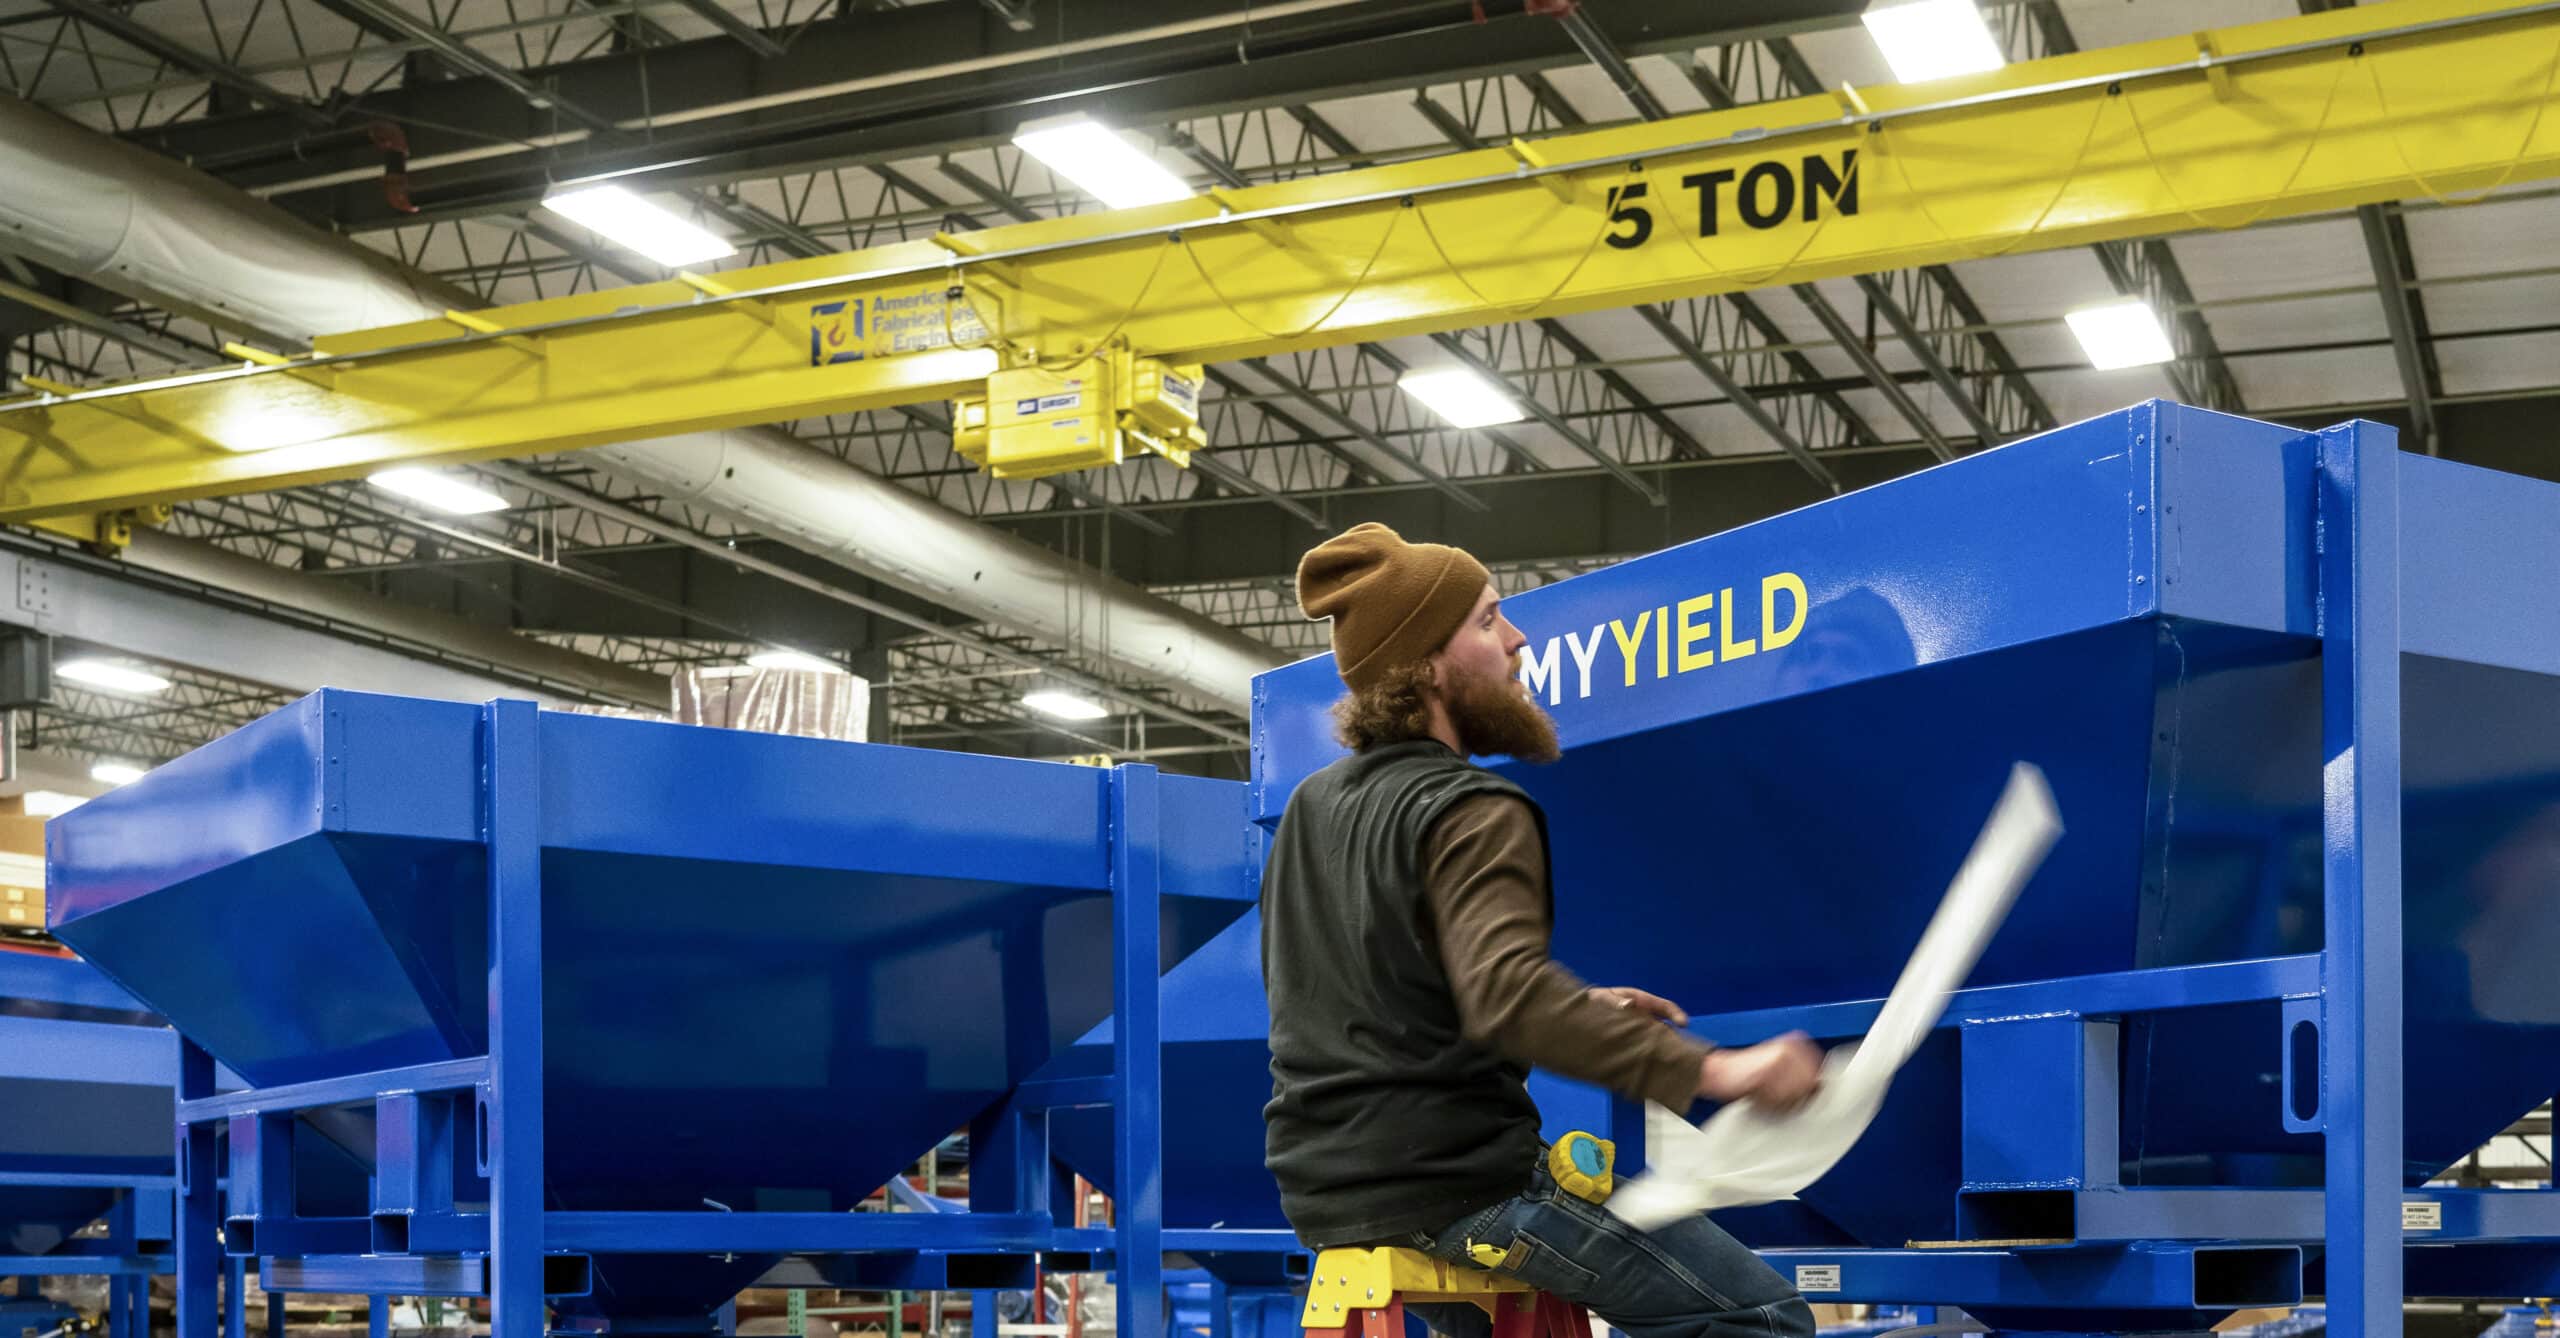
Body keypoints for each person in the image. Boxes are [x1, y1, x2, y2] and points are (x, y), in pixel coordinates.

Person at [1261, 522, 1826, 1338]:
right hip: (1465, 1190)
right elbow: (1509, 997)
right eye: (1489, 620)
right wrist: (1725, 1071)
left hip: (1329, 1193)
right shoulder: (1474, 808)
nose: (1520, 639)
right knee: (1764, 1316)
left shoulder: (1314, 805)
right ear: (1428, 666)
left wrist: (1586, 1007)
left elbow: (1367, 994)